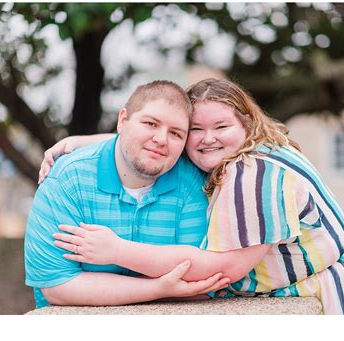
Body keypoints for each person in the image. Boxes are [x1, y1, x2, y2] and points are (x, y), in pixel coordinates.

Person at [40, 78, 344, 314]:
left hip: (329, 303)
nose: (207, 139)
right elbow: (156, 140)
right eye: (195, 130)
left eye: (221, 127)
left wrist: (118, 250)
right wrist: (84, 143)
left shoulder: (254, 173)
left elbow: (222, 268)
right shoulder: (246, 149)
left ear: (245, 125)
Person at [24, 80, 231, 309]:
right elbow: (58, 287)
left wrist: (116, 255)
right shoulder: (66, 180)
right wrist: (158, 288)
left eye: (175, 133)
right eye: (151, 124)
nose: (161, 140)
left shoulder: (192, 183)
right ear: (123, 120)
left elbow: (200, 281)